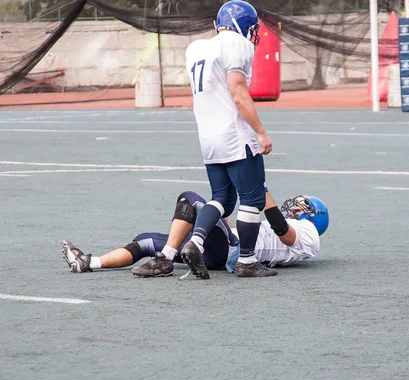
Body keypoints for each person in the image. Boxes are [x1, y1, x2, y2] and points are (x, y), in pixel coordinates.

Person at [181, 0, 276, 279]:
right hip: (234, 135)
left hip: (208, 136)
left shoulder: (197, 48)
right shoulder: (237, 44)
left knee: (221, 198)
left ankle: (195, 242)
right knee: (253, 197)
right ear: (241, 25)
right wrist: (260, 131)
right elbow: (238, 92)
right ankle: (247, 260)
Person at [61, 190, 329, 276]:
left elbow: (285, 233)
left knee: (191, 199)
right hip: (220, 254)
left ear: (312, 216)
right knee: (146, 241)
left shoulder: (308, 234)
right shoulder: (299, 232)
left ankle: (175, 255)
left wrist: (261, 189)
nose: (294, 206)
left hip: (234, 250)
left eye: (301, 206)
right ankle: (89, 262)